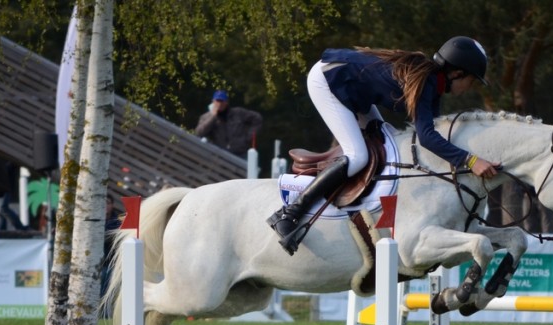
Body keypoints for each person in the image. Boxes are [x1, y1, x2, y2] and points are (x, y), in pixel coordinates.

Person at [267, 36, 501, 255]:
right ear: (457, 73)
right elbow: (427, 138)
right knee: (357, 156)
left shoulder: (432, 83)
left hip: (353, 89)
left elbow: (435, 135)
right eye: (471, 80)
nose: (470, 87)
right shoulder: (425, 83)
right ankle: (289, 214)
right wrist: (471, 160)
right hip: (328, 80)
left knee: (388, 139)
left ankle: (382, 216)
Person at [195, 89, 263, 158]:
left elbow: (257, 118)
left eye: (222, 101)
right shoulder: (205, 117)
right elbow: (199, 133)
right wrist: (212, 117)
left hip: (239, 154)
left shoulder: (238, 113)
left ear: (226, 102)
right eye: (217, 101)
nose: (219, 104)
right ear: (213, 101)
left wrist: (248, 137)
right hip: (218, 156)